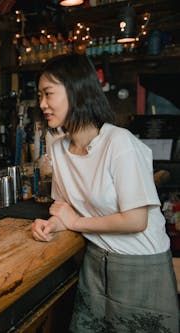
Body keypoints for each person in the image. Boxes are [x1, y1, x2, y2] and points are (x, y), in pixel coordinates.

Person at [31, 54, 179, 332]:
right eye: (40, 95)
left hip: (142, 267)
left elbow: (136, 220)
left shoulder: (119, 142)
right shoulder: (59, 150)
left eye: (48, 94)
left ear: (77, 91)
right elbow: (65, 209)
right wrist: (51, 225)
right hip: (96, 261)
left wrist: (75, 223)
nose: (42, 104)